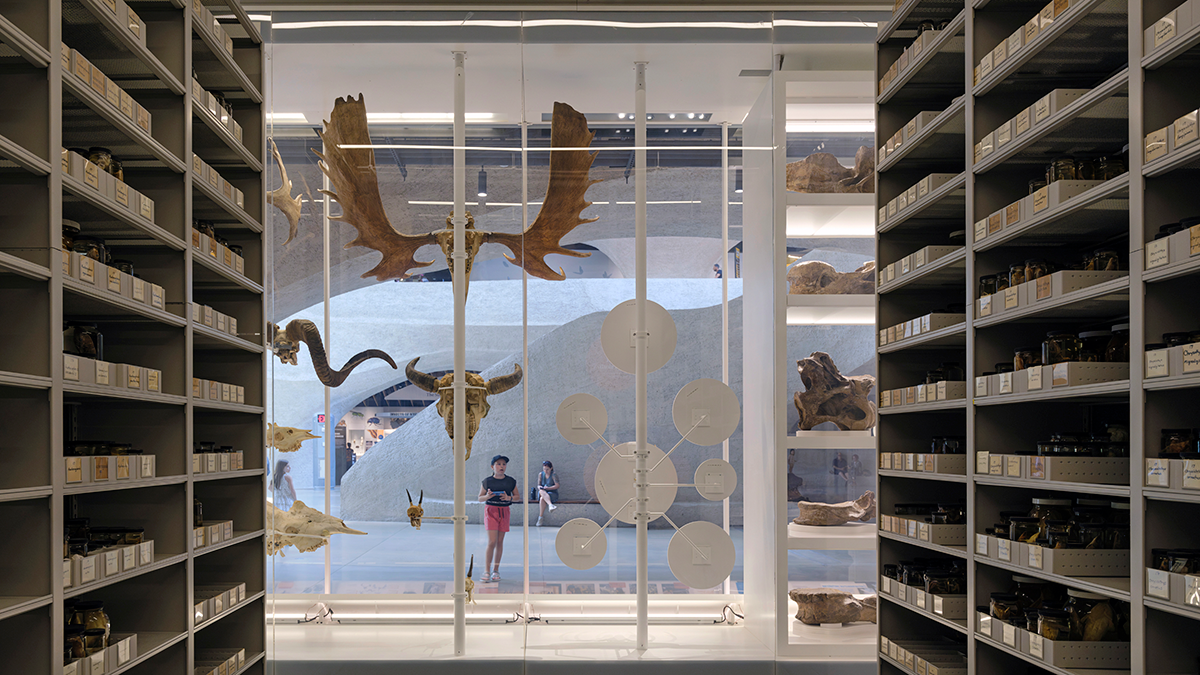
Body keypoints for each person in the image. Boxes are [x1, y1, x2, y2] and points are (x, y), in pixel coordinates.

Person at [479, 454, 517, 582]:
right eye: (498, 464)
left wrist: (508, 498)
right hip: (491, 510)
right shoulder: (487, 481)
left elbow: (517, 497)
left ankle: (495, 570)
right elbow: (480, 498)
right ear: (492, 466)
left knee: (500, 541)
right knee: (492, 541)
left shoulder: (511, 481)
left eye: (504, 464)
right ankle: (486, 570)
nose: (501, 466)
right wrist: (487, 496)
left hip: (504, 511)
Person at [535, 460, 559, 526]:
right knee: (541, 491)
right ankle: (550, 505)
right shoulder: (541, 474)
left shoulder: (553, 474)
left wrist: (548, 488)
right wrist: (540, 487)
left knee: (542, 499)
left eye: (547, 469)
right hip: (543, 492)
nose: (545, 471)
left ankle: (540, 517)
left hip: (552, 493)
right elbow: (538, 485)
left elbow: (557, 485)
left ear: (551, 468)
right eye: (544, 469)